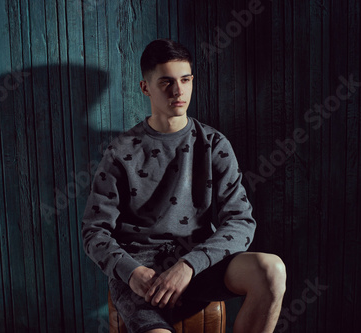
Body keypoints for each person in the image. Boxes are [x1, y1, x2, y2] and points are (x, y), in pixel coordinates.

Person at [82, 38, 286, 333]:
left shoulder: (214, 144)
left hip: (198, 265)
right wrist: (131, 272)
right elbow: (94, 232)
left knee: (272, 270)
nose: (178, 91)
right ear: (145, 88)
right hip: (143, 277)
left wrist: (188, 265)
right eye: (166, 82)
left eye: (185, 80)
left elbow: (241, 222)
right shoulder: (121, 151)